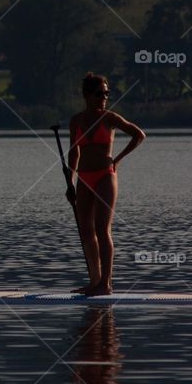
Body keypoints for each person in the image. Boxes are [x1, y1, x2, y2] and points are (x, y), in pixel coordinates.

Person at [67, 73, 146, 296]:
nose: (105, 97)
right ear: (87, 95)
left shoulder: (110, 118)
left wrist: (118, 159)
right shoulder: (76, 121)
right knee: (86, 231)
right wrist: (70, 182)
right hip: (84, 178)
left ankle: (106, 284)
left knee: (102, 229)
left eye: (107, 93)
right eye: (100, 93)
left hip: (105, 176)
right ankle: (94, 282)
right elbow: (74, 152)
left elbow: (139, 135)